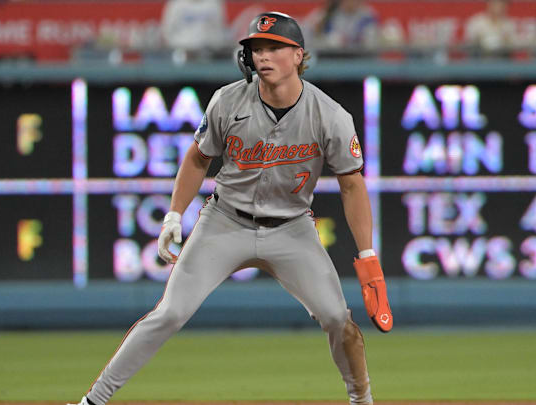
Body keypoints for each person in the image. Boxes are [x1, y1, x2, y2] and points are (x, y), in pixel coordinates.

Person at [68, 11, 392, 405]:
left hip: (291, 228)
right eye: (256, 48)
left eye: (275, 48)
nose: (263, 56)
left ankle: (362, 401)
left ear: (299, 56)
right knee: (169, 313)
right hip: (224, 222)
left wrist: (367, 252)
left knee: (338, 319)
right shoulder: (228, 100)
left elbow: (352, 184)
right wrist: (174, 214)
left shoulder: (330, 115)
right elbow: (197, 159)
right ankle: (92, 402)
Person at [160, 0, 228, 62]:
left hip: (209, 55)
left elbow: (220, 33)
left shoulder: (214, 4)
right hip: (181, 53)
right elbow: (166, 33)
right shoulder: (176, 4)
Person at [309, 0, 380, 51]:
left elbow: (371, 39)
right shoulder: (328, 14)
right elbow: (315, 36)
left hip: (362, 56)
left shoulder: (367, 15)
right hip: (333, 56)